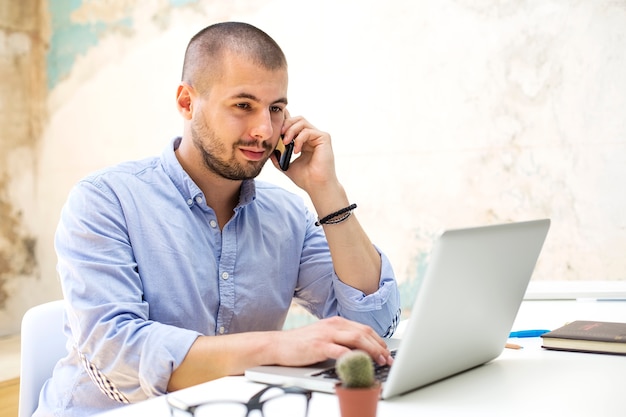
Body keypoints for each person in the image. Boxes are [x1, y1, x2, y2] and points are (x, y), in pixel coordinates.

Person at [34, 21, 401, 416]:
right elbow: (118, 355)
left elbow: (374, 323)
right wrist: (280, 346)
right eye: (243, 106)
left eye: (276, 109)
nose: (264, 130)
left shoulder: (287, 214)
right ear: (187, 103)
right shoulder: (105, 200)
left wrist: (326, 191)